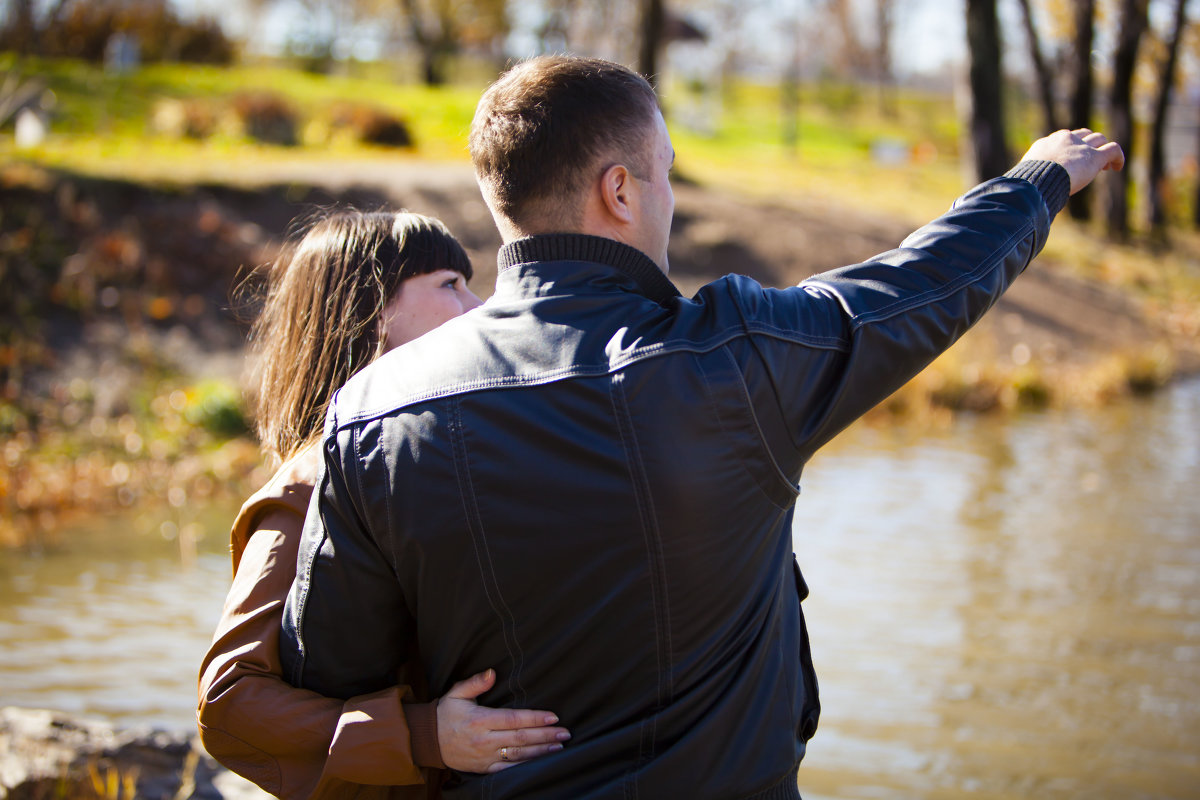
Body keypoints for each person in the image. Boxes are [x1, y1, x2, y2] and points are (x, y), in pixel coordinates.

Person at [280, 56, 1125, 800]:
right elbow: (922, 284)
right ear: (619, 190)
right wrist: (1038, 180)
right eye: (666, 174)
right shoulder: (734, 360)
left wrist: (431, 732)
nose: (671, 198)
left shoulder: (369, 412)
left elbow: (324, 675)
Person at [197, 210, 571, 800]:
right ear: (368, 313)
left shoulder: (433, 454)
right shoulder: (313, 477)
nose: (477, 308)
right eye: (450, 284)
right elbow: (230, 700)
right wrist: (424, 737)